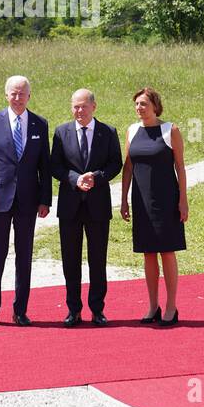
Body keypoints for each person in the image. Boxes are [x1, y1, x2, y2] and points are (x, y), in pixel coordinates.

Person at [0, 75, 52, 328]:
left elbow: (45, 166)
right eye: (13, 94)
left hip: (28, 202)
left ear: (30, 95)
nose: (18, 98)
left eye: (22, 94)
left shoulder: (40, 124)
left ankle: (20, 310)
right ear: (6, 95)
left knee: (24, 256)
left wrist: (45, 200)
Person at [50, 89, 122, 326]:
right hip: (70, 205)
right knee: (70, 260)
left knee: (97, 259)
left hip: (98, 205)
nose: (79, 111)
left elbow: (115, 164)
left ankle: (97, 310)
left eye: (83, 106)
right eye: (75, 107)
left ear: (94, 106)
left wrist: (97, 177)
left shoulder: (108, 132)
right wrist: (73, 178)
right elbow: (55, 166)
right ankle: (74, 310)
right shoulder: (62, 132)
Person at [120, 86, 188, 326]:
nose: (140, 108)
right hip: (141, 201)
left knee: (167, 252)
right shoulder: (131, 130)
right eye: (137, 104)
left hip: (167, 200)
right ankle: (152, 305)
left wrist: (183, 200)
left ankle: (171, 306)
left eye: (144, 104)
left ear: (155, 106)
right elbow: (127, 167)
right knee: (148, 253)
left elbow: (180, 166)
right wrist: (123, 199)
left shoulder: (171, 130)